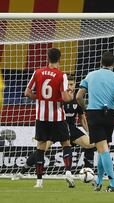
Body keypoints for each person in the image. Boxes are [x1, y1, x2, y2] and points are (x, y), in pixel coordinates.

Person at [13, 75, 96, 181]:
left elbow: (82, 118)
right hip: (56, 127)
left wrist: (90, 132)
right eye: (68, 85)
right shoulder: (59, 96)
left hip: (71, 128)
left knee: (90, 143)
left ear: (75, 85)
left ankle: (87, 170)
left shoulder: (77, 99)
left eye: (72, 84)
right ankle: (22, 172)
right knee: (42, 150)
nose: (70, 87)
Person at [24, 48, 74, 188]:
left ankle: (39, 181)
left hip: (41, 116)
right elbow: (64, 97)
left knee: (40, 146)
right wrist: (70, 96)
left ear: (47, 58)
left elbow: (27, 92)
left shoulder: (37, 72)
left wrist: (38, 98)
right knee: (66, 143)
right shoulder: (61, 75)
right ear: (59, 59)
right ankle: (68, 172)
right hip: (57, 117)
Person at [76, 51, 114, 192]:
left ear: (100, 62)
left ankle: (113, 184)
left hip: (94, 114)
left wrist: (85, 108)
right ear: (113, 64)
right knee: (103, 149)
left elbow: (79, 96)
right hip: (109, 114)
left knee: (102, 149)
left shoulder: (91, 75)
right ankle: (98, 182)